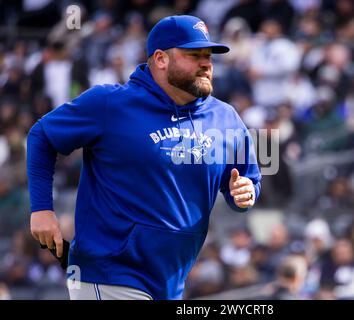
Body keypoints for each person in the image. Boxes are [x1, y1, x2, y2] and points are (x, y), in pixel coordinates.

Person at [26, 15, 262, 300]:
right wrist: (41, 209)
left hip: (170, 280)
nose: (206, 63)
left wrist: (245, 194)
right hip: (108, 271)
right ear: (161, 59)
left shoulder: (226, 119)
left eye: (208, 56)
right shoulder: (109, 104)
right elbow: (42, 135)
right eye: (194, 55)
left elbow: (246, 183)